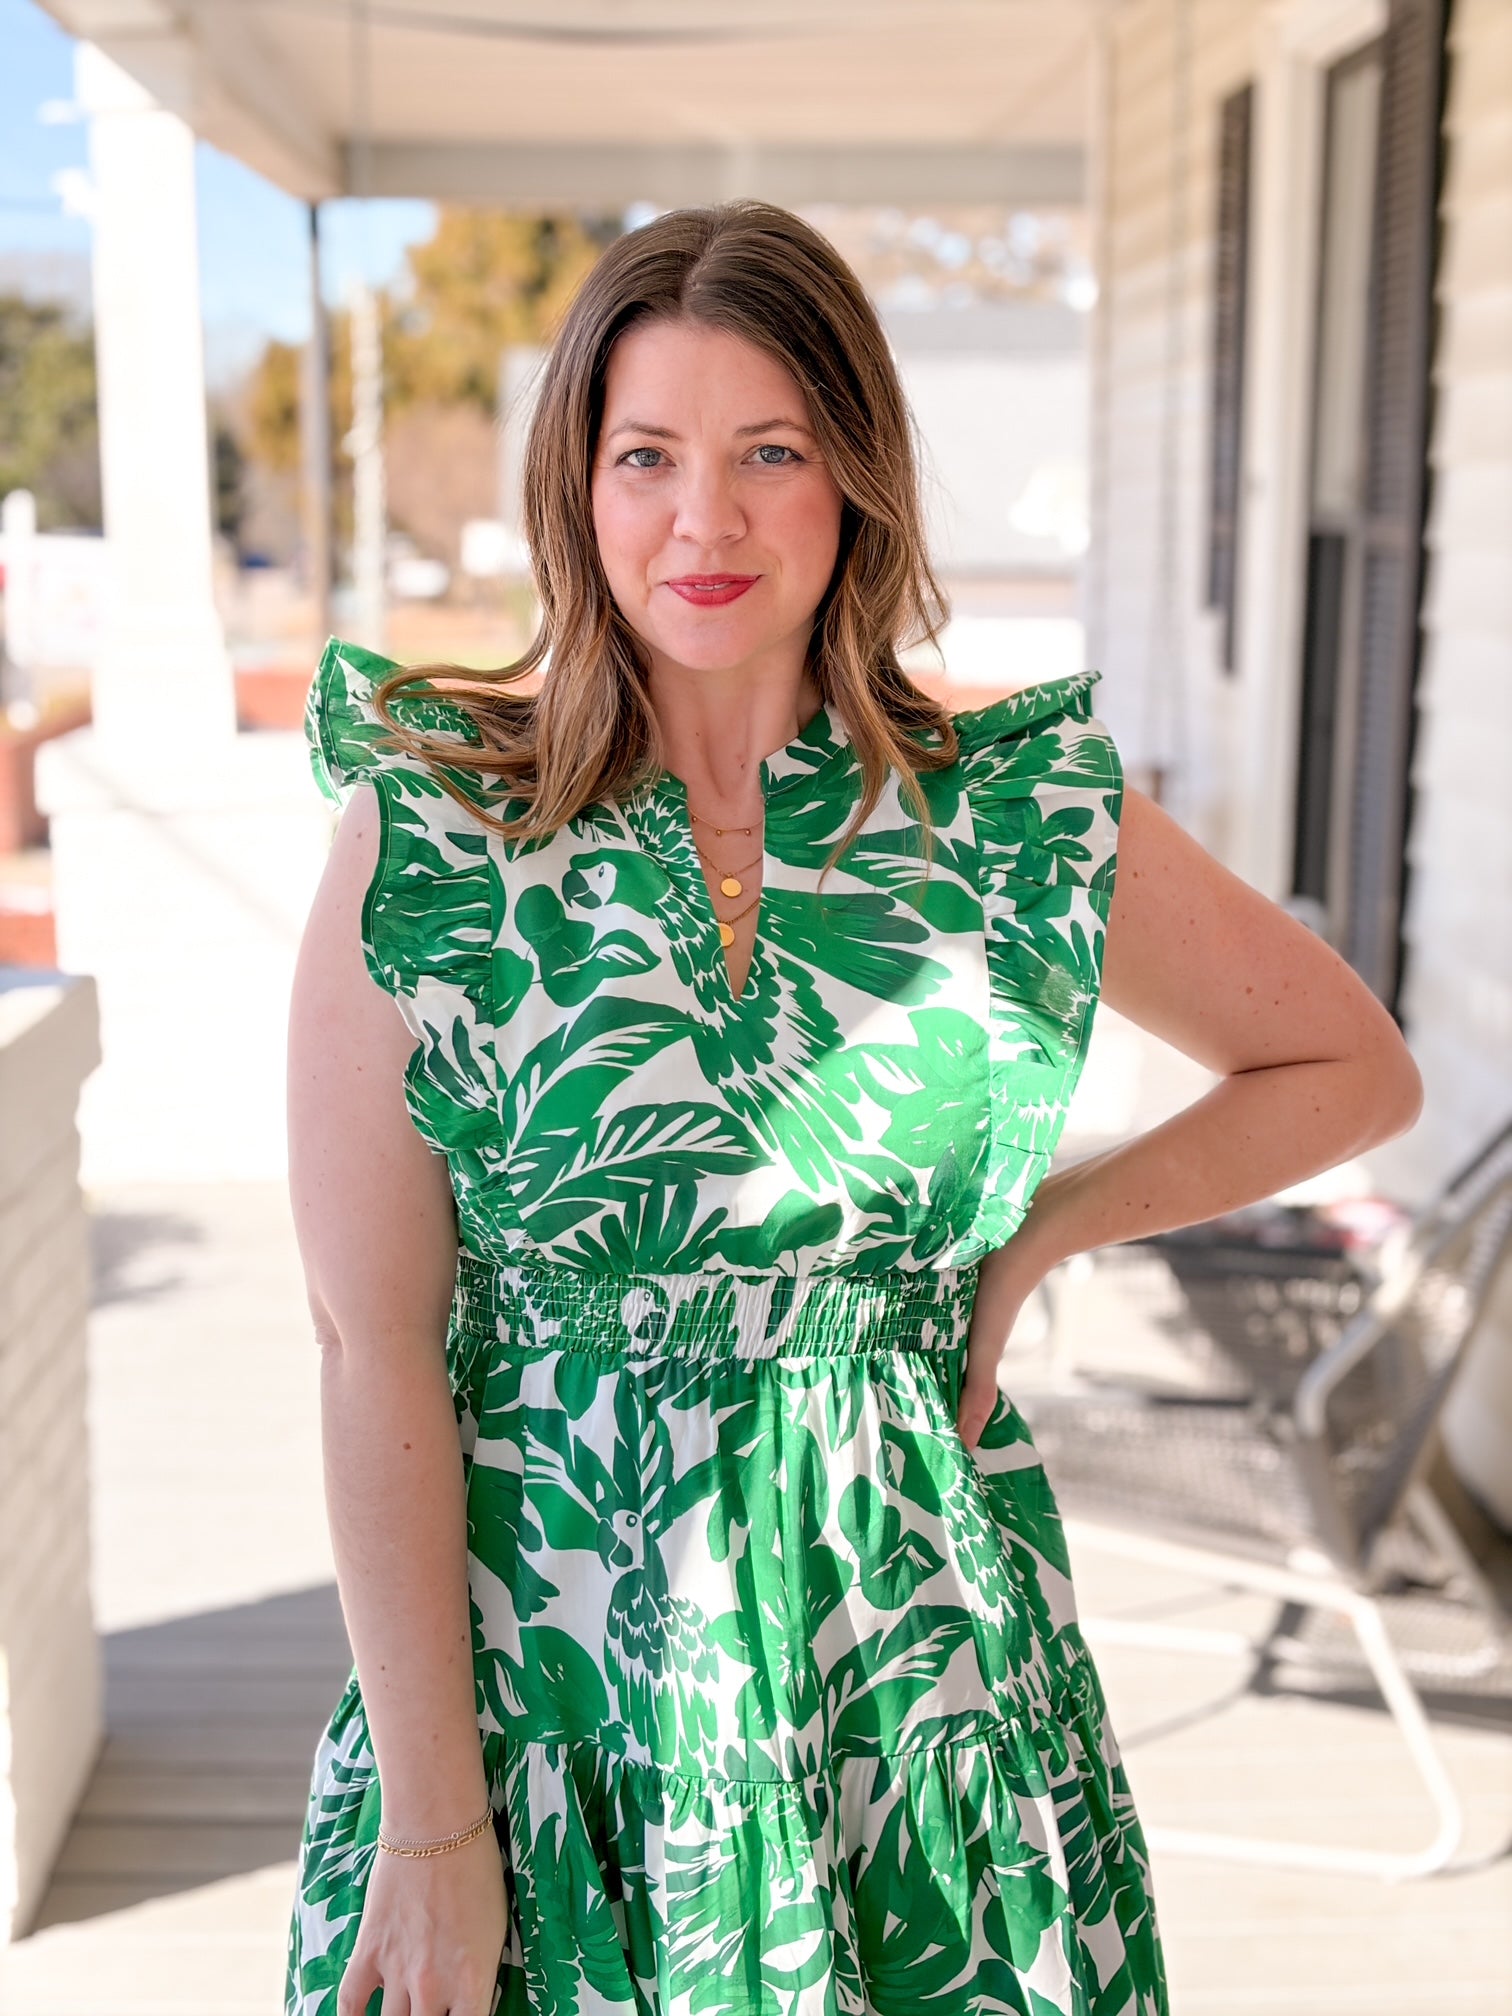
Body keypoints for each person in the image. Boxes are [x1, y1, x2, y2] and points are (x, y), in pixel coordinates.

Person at [282, 200, 1422, 2016]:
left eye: (771, 453)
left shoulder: (1006, 818)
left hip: (914, 1693)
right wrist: (434, 1833)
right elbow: (371, 1350)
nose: (705, 521)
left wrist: (1040, 1233)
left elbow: (1349, 1067)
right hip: (550, 1714)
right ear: (577, 482)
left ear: (857, 481)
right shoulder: (435, 836)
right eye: (647, 456)